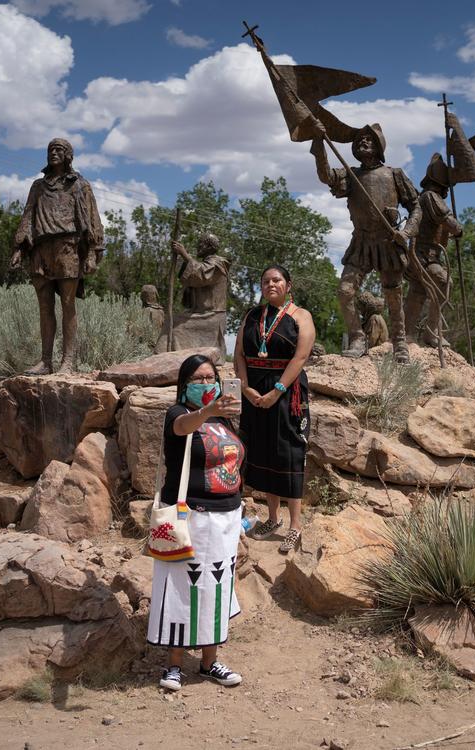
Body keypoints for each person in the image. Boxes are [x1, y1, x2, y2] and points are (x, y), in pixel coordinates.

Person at [147, 354, 245, 692]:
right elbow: (183, 427)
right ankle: (174, 665)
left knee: (215, 588)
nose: (206, 383)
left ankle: (209, 663)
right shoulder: (179, 414)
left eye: (211, 377)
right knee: (181, 587)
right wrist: (207, 411)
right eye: (199, 378)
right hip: (191, 517)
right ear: (184, 383)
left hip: (227, 518)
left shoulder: (227, 420)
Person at [311, 124, 417, 362]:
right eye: (359, 139)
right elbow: (326, 175)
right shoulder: (352, 175)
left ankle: (399, 343)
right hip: (361, 242)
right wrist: (319, 142)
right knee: (345, 291)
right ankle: (357, 337)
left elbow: (415, 206)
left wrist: (408, 231)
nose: (363, 142)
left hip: (388, 242)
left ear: (379, 145)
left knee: (393, 294)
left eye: (369, 139)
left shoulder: (394, 174)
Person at [234, 265, 316, 554]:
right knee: (264, 450)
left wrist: (277, 390)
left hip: (287, 392)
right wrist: (245, 387)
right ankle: (272, 518)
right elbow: (239, 355)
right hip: (254, 391)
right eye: (266, 281)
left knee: (289, 453)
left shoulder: (300, 316)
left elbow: (301, 355)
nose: (271, 284)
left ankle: (295, 526)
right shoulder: (252, 316)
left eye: (277, 280)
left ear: (288, 285)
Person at [10, 138, 105, 374]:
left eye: (59, 150)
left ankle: (68, 362)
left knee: (68, 304)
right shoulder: (38, 187)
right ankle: (45, 361)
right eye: (50, 149)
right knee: (44, 307)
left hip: (67, 248)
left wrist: (93, 252)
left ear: (68, 156)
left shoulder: (80, 185)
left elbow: (93, 219)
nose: (53, 153)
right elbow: (28, 216)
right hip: (41, 250)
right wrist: (19, 249)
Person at [403, 154, 462, 347]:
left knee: (418, 292)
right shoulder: (431, 196)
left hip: (424, 255)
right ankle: (432, 332)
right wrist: (459, 229)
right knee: (445, 283)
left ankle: (407, 334)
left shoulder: (425, 196)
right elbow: (449, 222)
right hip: (424, 256)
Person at [155, 233, 230, 353]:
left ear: (210, 247)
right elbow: (191, 279)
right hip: (201, 313)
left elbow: (201, 275)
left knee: (174, 325)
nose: (198, 246)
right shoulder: (208, 263)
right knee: (172, 320)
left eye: (201, 243)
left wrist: (185, 255)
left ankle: (175, 356)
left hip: (212, 315)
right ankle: (166, 356)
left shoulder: (218, 264)